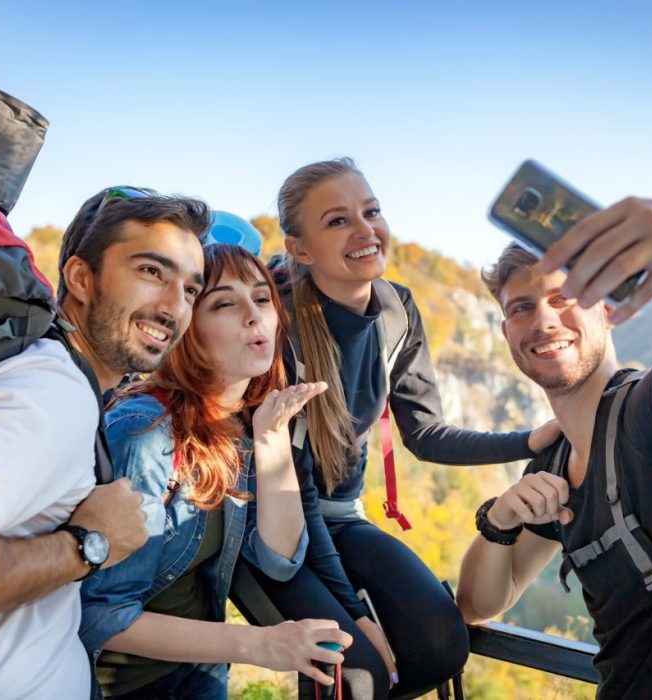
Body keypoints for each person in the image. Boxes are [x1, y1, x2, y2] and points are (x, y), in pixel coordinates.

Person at [232, 158, 559, 700]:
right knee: (358, 671)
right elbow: (298, 486)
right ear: (301, 249)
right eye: (338, 221)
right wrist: (358, 615)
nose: (365, 230)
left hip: (340, 516)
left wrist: (528, 440)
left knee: (440, 646)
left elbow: (425, 433)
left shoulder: (396, 309)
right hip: (268, 526)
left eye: (371, 211)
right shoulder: (278, 324)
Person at [456, 197, 652, 698]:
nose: (544, 321)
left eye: (562, 298)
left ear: (609, 310)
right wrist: (499, 521)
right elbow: (479, 604)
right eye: (521, 308)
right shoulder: (554, 464)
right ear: (507, 332)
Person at [0, 185, 211, 698]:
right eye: (151, 271)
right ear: (80, 277)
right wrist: (89, 546)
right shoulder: (53, 394)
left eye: (190, 289)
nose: (173, 307)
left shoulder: (70, 383)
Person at [80, 243, 352, 699]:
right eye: (225, 303)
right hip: (119, 685)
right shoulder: (145, 432)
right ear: (188, 329)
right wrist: (261, 644)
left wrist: (271, 442)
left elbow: (278, 561)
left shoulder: (240, 423)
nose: (254, 315)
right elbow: (101, 616)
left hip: (197, 671)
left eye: (262, 299)